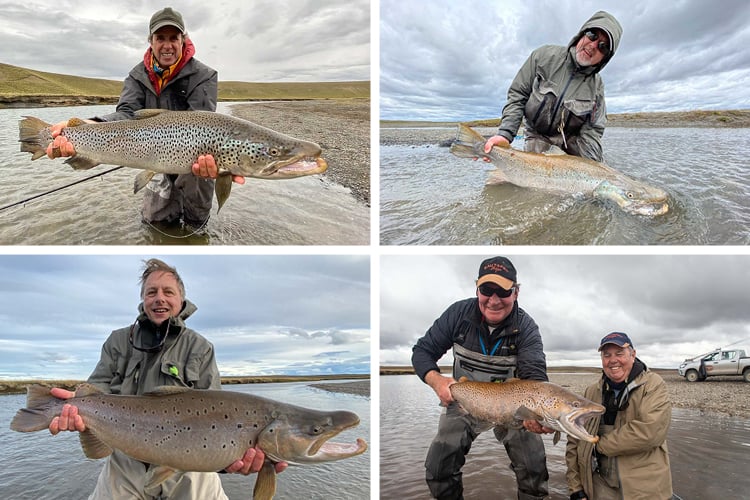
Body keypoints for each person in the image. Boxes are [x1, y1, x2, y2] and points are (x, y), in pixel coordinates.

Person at [49, 258, 286, 499]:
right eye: (151, 292)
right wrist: (76, 404)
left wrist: (226, 462)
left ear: (181, 300)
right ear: (143, 300)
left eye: (168, 292)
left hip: (189, 465)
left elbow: (220, 413)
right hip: (125, 460)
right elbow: (98, 387)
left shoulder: (200, 347)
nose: (159, 298)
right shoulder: (118, 341)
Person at [45, 7, 244, 227]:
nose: (167, 45)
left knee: (196, 222)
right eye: (160, 38)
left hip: (196, 160)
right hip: (153, 157)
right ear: (151, 40)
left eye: (173, 38)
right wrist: (91, 124)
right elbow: (125, 114)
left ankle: (195, 229)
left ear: (183, 40)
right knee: (154, 222)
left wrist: (224, 167)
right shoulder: (136, 76)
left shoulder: (205, 75)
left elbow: (201, 121)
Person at [412, 256, 552, 500]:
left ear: (516, 292)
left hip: (514, 409)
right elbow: (422, 352)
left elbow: (535, 378)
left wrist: (536, 416)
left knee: (534, 469)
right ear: (477, 288)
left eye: (503, 291)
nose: (494, 300)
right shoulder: (458, 314)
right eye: (487, 290)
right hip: (464, 404)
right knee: (438, 467)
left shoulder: (527, 328)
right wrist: (437, 381)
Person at [484, 11, 623, 162]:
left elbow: (592, 130)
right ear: (582, 34)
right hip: (538, 135)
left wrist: (592, 165)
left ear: (605, 58)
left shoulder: (597, 87)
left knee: (593, 171)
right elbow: (518, 95)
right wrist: (505, 134)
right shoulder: (543, 56)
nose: (593, 45)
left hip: (571, 141)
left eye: (603, 46)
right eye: (592, 35)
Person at [565, 332, 673, 500]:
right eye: (606, 355)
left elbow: (649, 432)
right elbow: (574, 439)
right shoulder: (591, 391)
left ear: (633, 354)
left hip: (645, 490)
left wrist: (598, 445)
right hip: (600, 487)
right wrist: (575, 487)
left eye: (619, 353)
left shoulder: (654, 385)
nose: (612, 360)